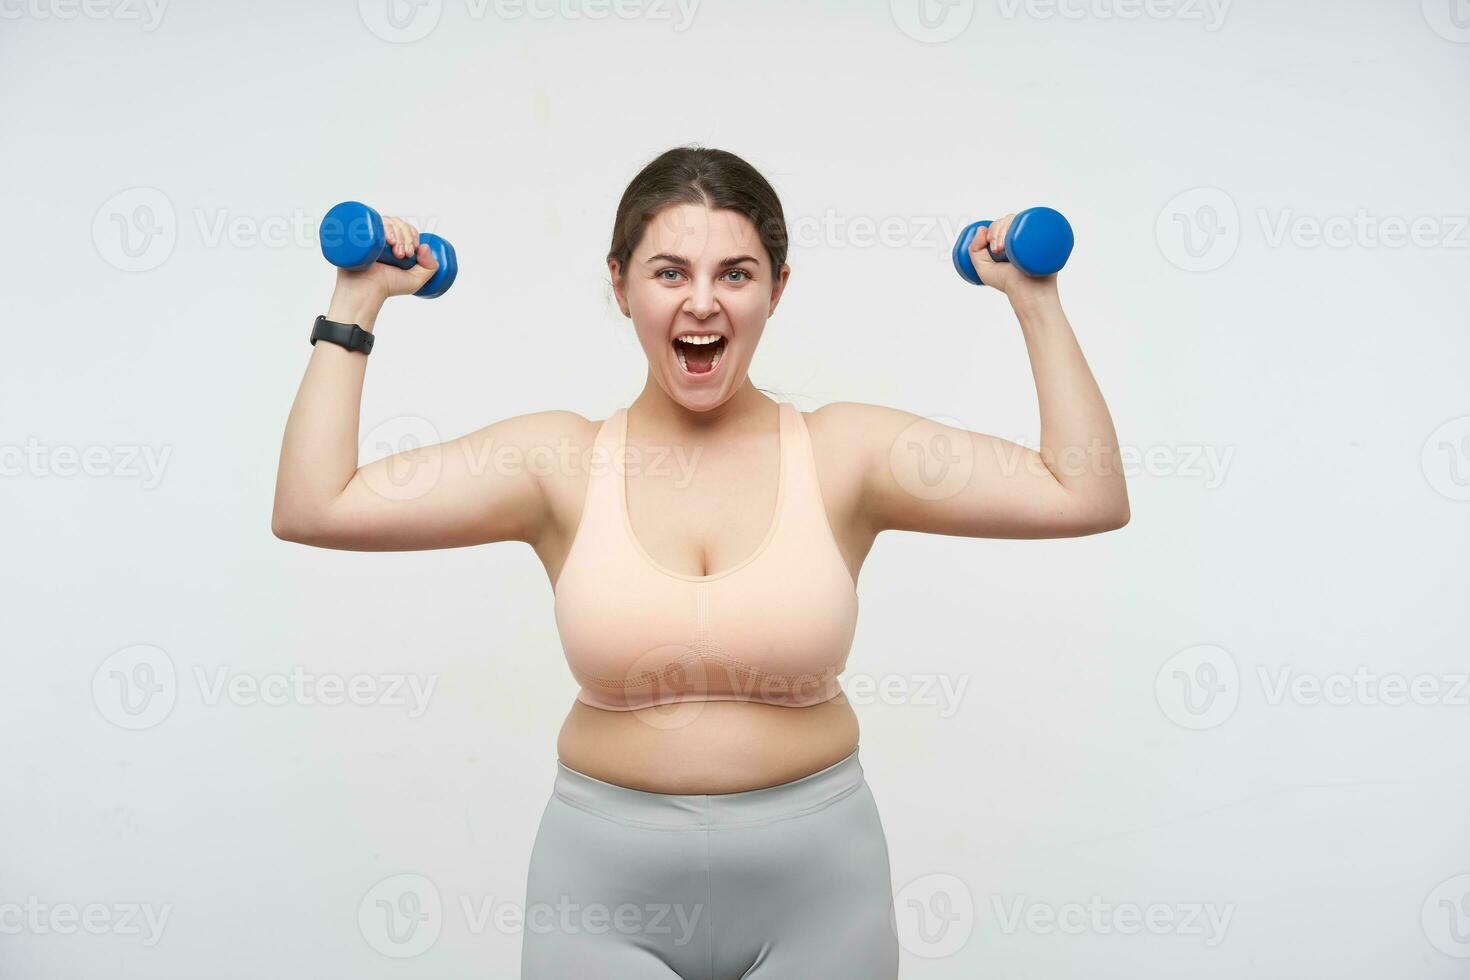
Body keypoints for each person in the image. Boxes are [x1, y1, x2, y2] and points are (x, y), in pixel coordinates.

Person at [271, 146, 1129, 979]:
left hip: (821, 896)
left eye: (736, 274)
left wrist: (1034, 298)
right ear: (620, 284)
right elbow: (316, 505)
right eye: (669, 272)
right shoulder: (557, 464)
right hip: (602, 898)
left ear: (776, 290)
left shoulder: (845, 453)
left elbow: (1081, 494)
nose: (702, 304)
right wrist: (358, 299)